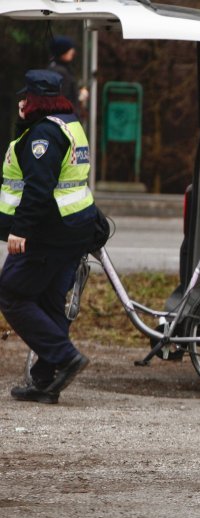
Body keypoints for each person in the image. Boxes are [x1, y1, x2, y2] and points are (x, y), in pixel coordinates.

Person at [0, 69, 97, 404]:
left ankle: (64, 357)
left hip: (50, 232)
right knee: (49, 300)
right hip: (75, 229)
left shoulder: (43, 134)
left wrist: (20, 230)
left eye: (26, 97)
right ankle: (45, 381)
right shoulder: (69, 123)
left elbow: (39, 189)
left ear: (36, 100)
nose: (21, 102)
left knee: (11, 292)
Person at [48, 35, 89, 117]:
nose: (72, 51)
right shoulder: (61, 72)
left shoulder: (54, 68)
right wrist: (80, 96)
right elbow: (63, 99)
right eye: (69, 49)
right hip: (67, 119)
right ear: (62, 52)